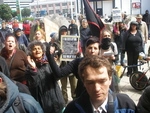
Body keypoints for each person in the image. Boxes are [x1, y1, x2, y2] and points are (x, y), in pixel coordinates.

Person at [63, 55, 138, 113]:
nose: (97, 88)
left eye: (102, 81)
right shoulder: (72, 109)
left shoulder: (126, 105)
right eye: (90, 82)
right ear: (84, 82)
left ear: (110, 80)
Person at [25, 41, 65, 113]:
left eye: (39, 48)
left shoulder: (48, 64)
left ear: (43, 51)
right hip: (43, 104)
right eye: (34, 49)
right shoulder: (29, 69)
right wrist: (33, 68)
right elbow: (33, 84)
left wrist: (53, 62)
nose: (37, 50)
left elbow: (58, 76)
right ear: (31, 52)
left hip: (57, 101)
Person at [58, 25, 77, 104]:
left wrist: (77, 52)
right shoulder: (57, 43)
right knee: (64, 87)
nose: (64, 33)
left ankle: (75, 101)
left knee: (74, 86)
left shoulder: (72, 40)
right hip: (62, 67)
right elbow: (54, 56)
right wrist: (59, 52)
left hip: (72, 67)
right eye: (62, 31)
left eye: (65, 31)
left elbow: (76, 51)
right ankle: (65, 102)